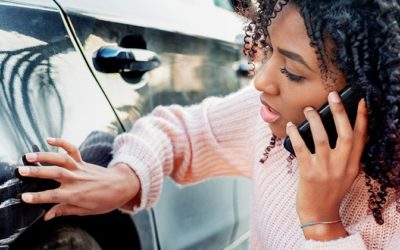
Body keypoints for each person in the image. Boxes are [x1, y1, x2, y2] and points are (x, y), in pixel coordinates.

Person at [17, 0, 400, 248]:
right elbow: (182, 131)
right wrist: (127, 176)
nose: (261, 82)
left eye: (292, 72)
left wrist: (322, 223)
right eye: (266, 51)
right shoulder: (268, 120)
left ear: (367, 94)